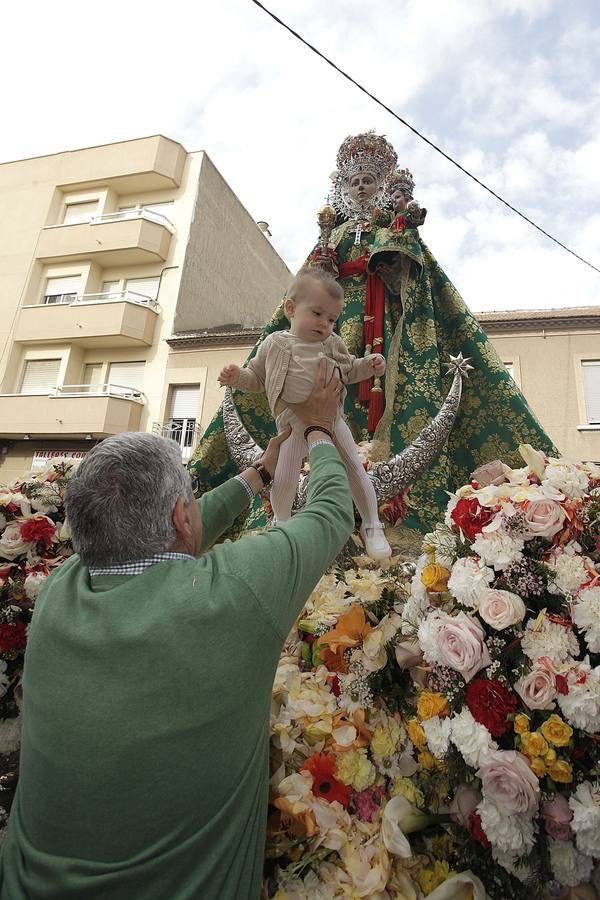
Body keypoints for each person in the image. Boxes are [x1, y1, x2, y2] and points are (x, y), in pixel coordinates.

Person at [0, 363, 354, 900]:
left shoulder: (60, 590)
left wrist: (257, 474)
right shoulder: (232, 595)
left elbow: (168, 532)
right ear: (179, 516)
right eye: (189, 501)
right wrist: (323, 429)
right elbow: (330, 513)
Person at [189, 131, 557, 534]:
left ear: (382, 185)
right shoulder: (338, 235)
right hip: (334, 325)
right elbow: (311, 282)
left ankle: (378, 517)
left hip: (384, 315)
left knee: (360, 385)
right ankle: (289, 511)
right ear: (344, 188)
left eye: (369, 180)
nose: (361, 187)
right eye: (354, 181)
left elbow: (412, 268)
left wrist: (397, 239)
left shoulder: (390, 223)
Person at [218, 268, 391, 560]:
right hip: (291, 426)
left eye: (332, 319)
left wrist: (370, 365)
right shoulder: (274, 344)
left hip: (331, 421)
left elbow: (349, 369)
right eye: (318, 314)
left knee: (353, 467)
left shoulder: (332, 344)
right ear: (290, 308)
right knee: (284, 478)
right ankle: (281, 525)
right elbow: (257, 379)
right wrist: (237, 377)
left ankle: (372, 524)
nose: (325, 324)